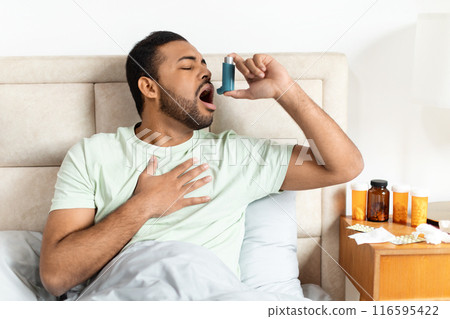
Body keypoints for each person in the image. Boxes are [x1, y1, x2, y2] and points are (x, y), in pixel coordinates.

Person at [39, 31, 364, 297]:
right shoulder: (93, 155)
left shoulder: (237, 156)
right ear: (149, 87)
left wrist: (285, 91)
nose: (205, 72)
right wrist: (144, 205)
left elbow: (344, 166)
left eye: (205, 67)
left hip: (213, 296)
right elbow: (56, 276)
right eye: (187, 66)